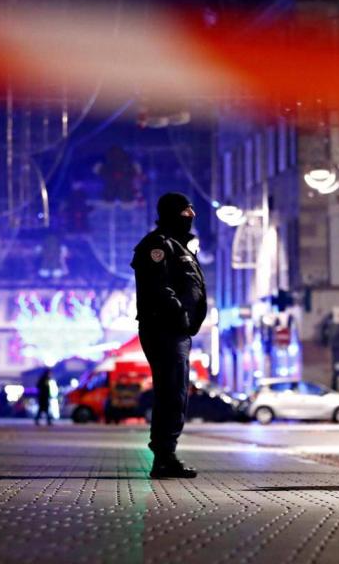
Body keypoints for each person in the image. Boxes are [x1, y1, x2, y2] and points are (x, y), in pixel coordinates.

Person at [131, 192, 207, 479]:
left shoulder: (181, 246)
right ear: (173, 213)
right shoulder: (158, 245)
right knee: (171, 391)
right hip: (164, 329)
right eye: (186, 211)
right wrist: (181, 315)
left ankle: (167, 454)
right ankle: (163, 455)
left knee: (175, 392)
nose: (191, 216)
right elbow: (158, 288)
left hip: (177, 331)